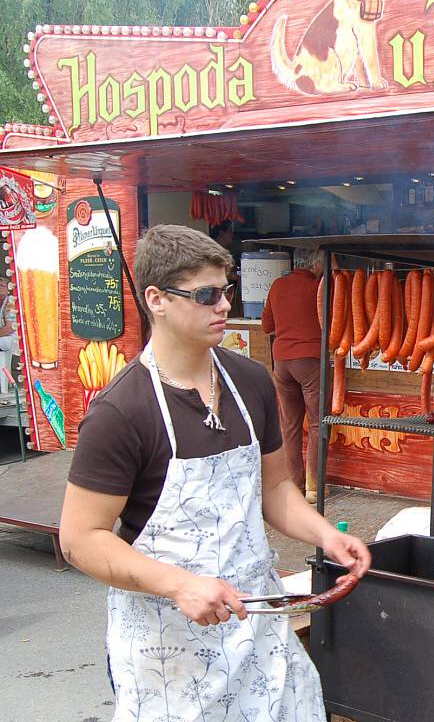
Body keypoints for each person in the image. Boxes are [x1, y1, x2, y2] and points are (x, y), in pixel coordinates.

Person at [59, 225, 370, 722]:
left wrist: (326, 535)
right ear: (156, 299)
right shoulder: (121, 412)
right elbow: (79, 539)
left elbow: (274, 488)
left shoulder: (250, 381)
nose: (224, 305)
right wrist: (178, 584)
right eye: (206, 294)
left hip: (257, 622)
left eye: (226, 291)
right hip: (169, 642)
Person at [262, 249, 328, 504]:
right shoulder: (319, 287)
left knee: (289, 426)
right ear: (314, 264)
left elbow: (267, 326)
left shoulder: (278, 285)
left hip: (281, 362)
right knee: (316, 423)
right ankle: (314, 487)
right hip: (310, 360)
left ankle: (294, 485)